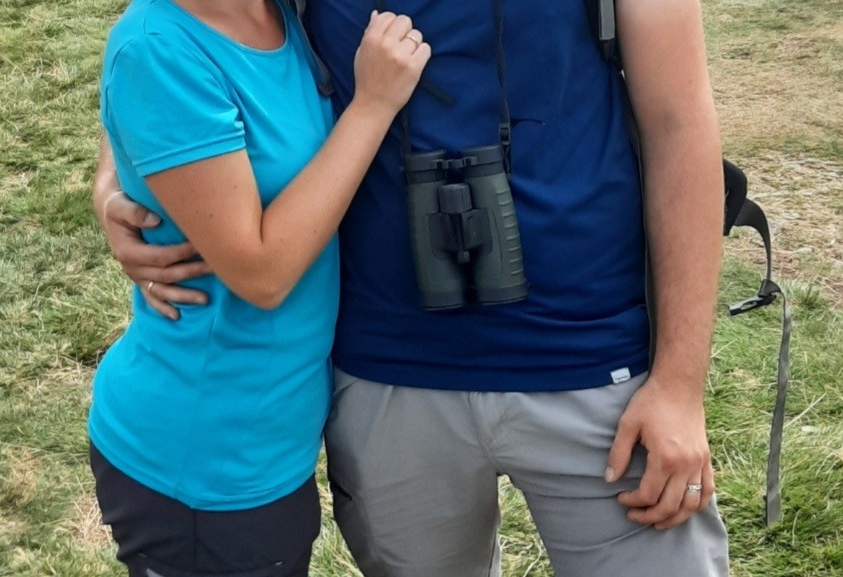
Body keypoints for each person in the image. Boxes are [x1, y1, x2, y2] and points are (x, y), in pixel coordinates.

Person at [92, 0, 730, 575]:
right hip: (385, 373)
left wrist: (679, 383)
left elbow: (680, 124)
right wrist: (114, 176)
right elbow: (170, 43)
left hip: (599, 367)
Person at [88, 1, 430, 576]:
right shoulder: (159, 48)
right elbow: (261, 274)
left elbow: (133, 103)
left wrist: (108, 178)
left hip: (266, 448)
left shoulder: (281, 11)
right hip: (202, 463)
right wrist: (374, 104)